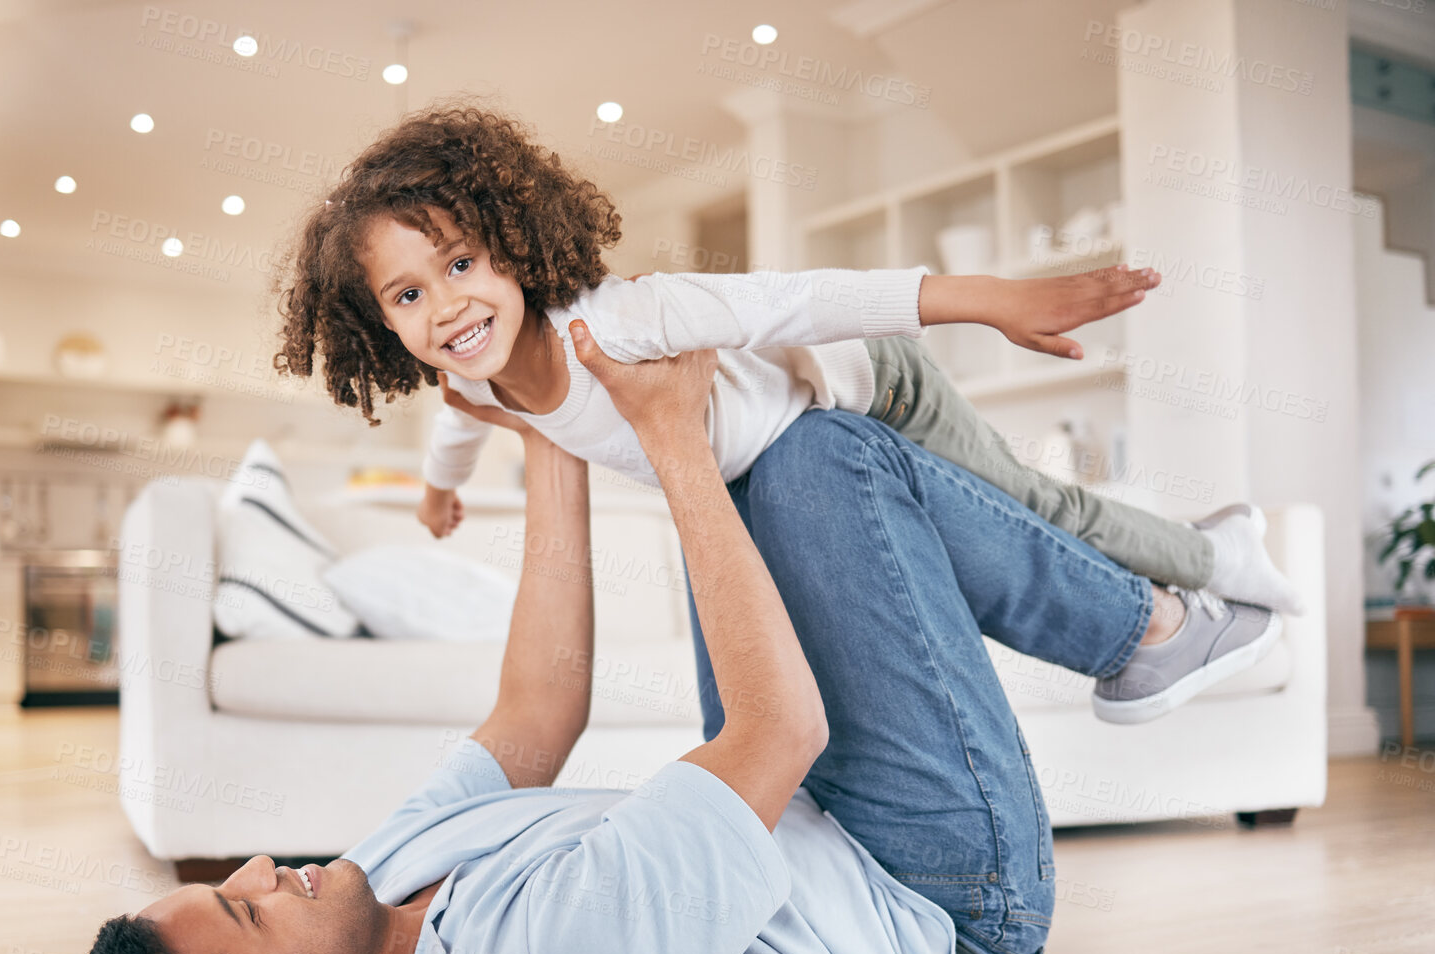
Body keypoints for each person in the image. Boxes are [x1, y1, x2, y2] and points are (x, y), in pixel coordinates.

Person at [72, 322, 1273, 954]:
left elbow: (534, 713)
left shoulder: (364, 910)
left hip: (804, 815)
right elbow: (778, 728)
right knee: (820, 455)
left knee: (775, 455)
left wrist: (539, 420)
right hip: (938, 905)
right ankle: (1150, 619)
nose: (254, 873)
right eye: (242, 911)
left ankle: (1147, 615)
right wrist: (670, 441)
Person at [272, 100, 1304, 639]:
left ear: (511, 241)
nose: (447, 304)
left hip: (872, 383)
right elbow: (456, 425)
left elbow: (797, 297)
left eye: (460, 262)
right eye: (407, 294)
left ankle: (1225, 562)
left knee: (1032, 506)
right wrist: (439, 500)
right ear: (374, 325)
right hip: (791, 460)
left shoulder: (626, 321)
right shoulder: (474, 380)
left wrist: (986, 299)